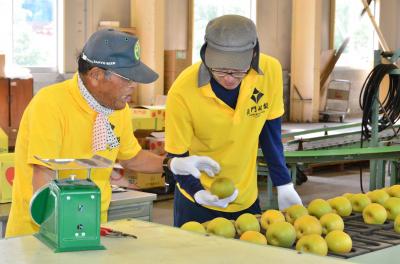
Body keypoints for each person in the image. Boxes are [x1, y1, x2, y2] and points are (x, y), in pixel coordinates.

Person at [6, 29, 220, 238]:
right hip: (42, 232)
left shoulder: (116, 110)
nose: (133, 86)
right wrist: (62, 230)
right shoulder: (51, 104)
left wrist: (173, 165)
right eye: (127, 78)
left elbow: (133, 158)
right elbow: (43, 174)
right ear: (96, 75)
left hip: (92, 227)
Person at [165, 15, 302, 227]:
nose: (229, 78)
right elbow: (177, 157)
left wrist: (284, 183)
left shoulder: (270, 71)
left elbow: (270, 135)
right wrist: (198, 192)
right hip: (196, 202)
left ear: (253, 57)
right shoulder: (182, 92)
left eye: (238, 70)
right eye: (219, 69)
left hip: (246, 199)